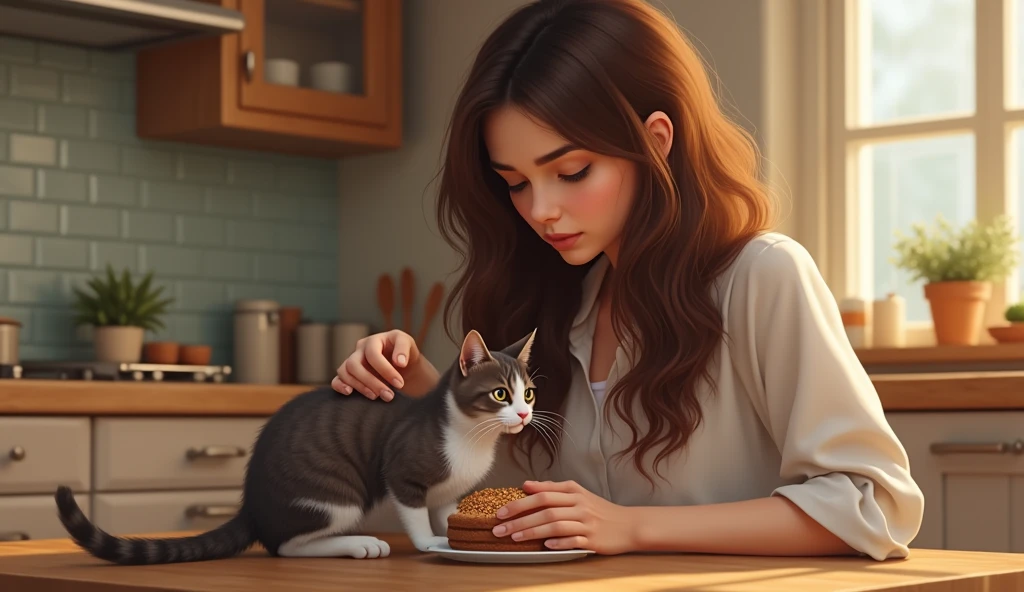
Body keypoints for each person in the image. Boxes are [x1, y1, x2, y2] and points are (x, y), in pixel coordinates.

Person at [332, 0, 924, 561]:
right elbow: (507, 510)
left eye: (571, 171)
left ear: (656, 142)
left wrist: (630, 526)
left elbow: (872, 505)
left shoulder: (762, 275)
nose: (540, 210)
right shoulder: (555, 303)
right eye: (515, 182)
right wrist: (420, 393)